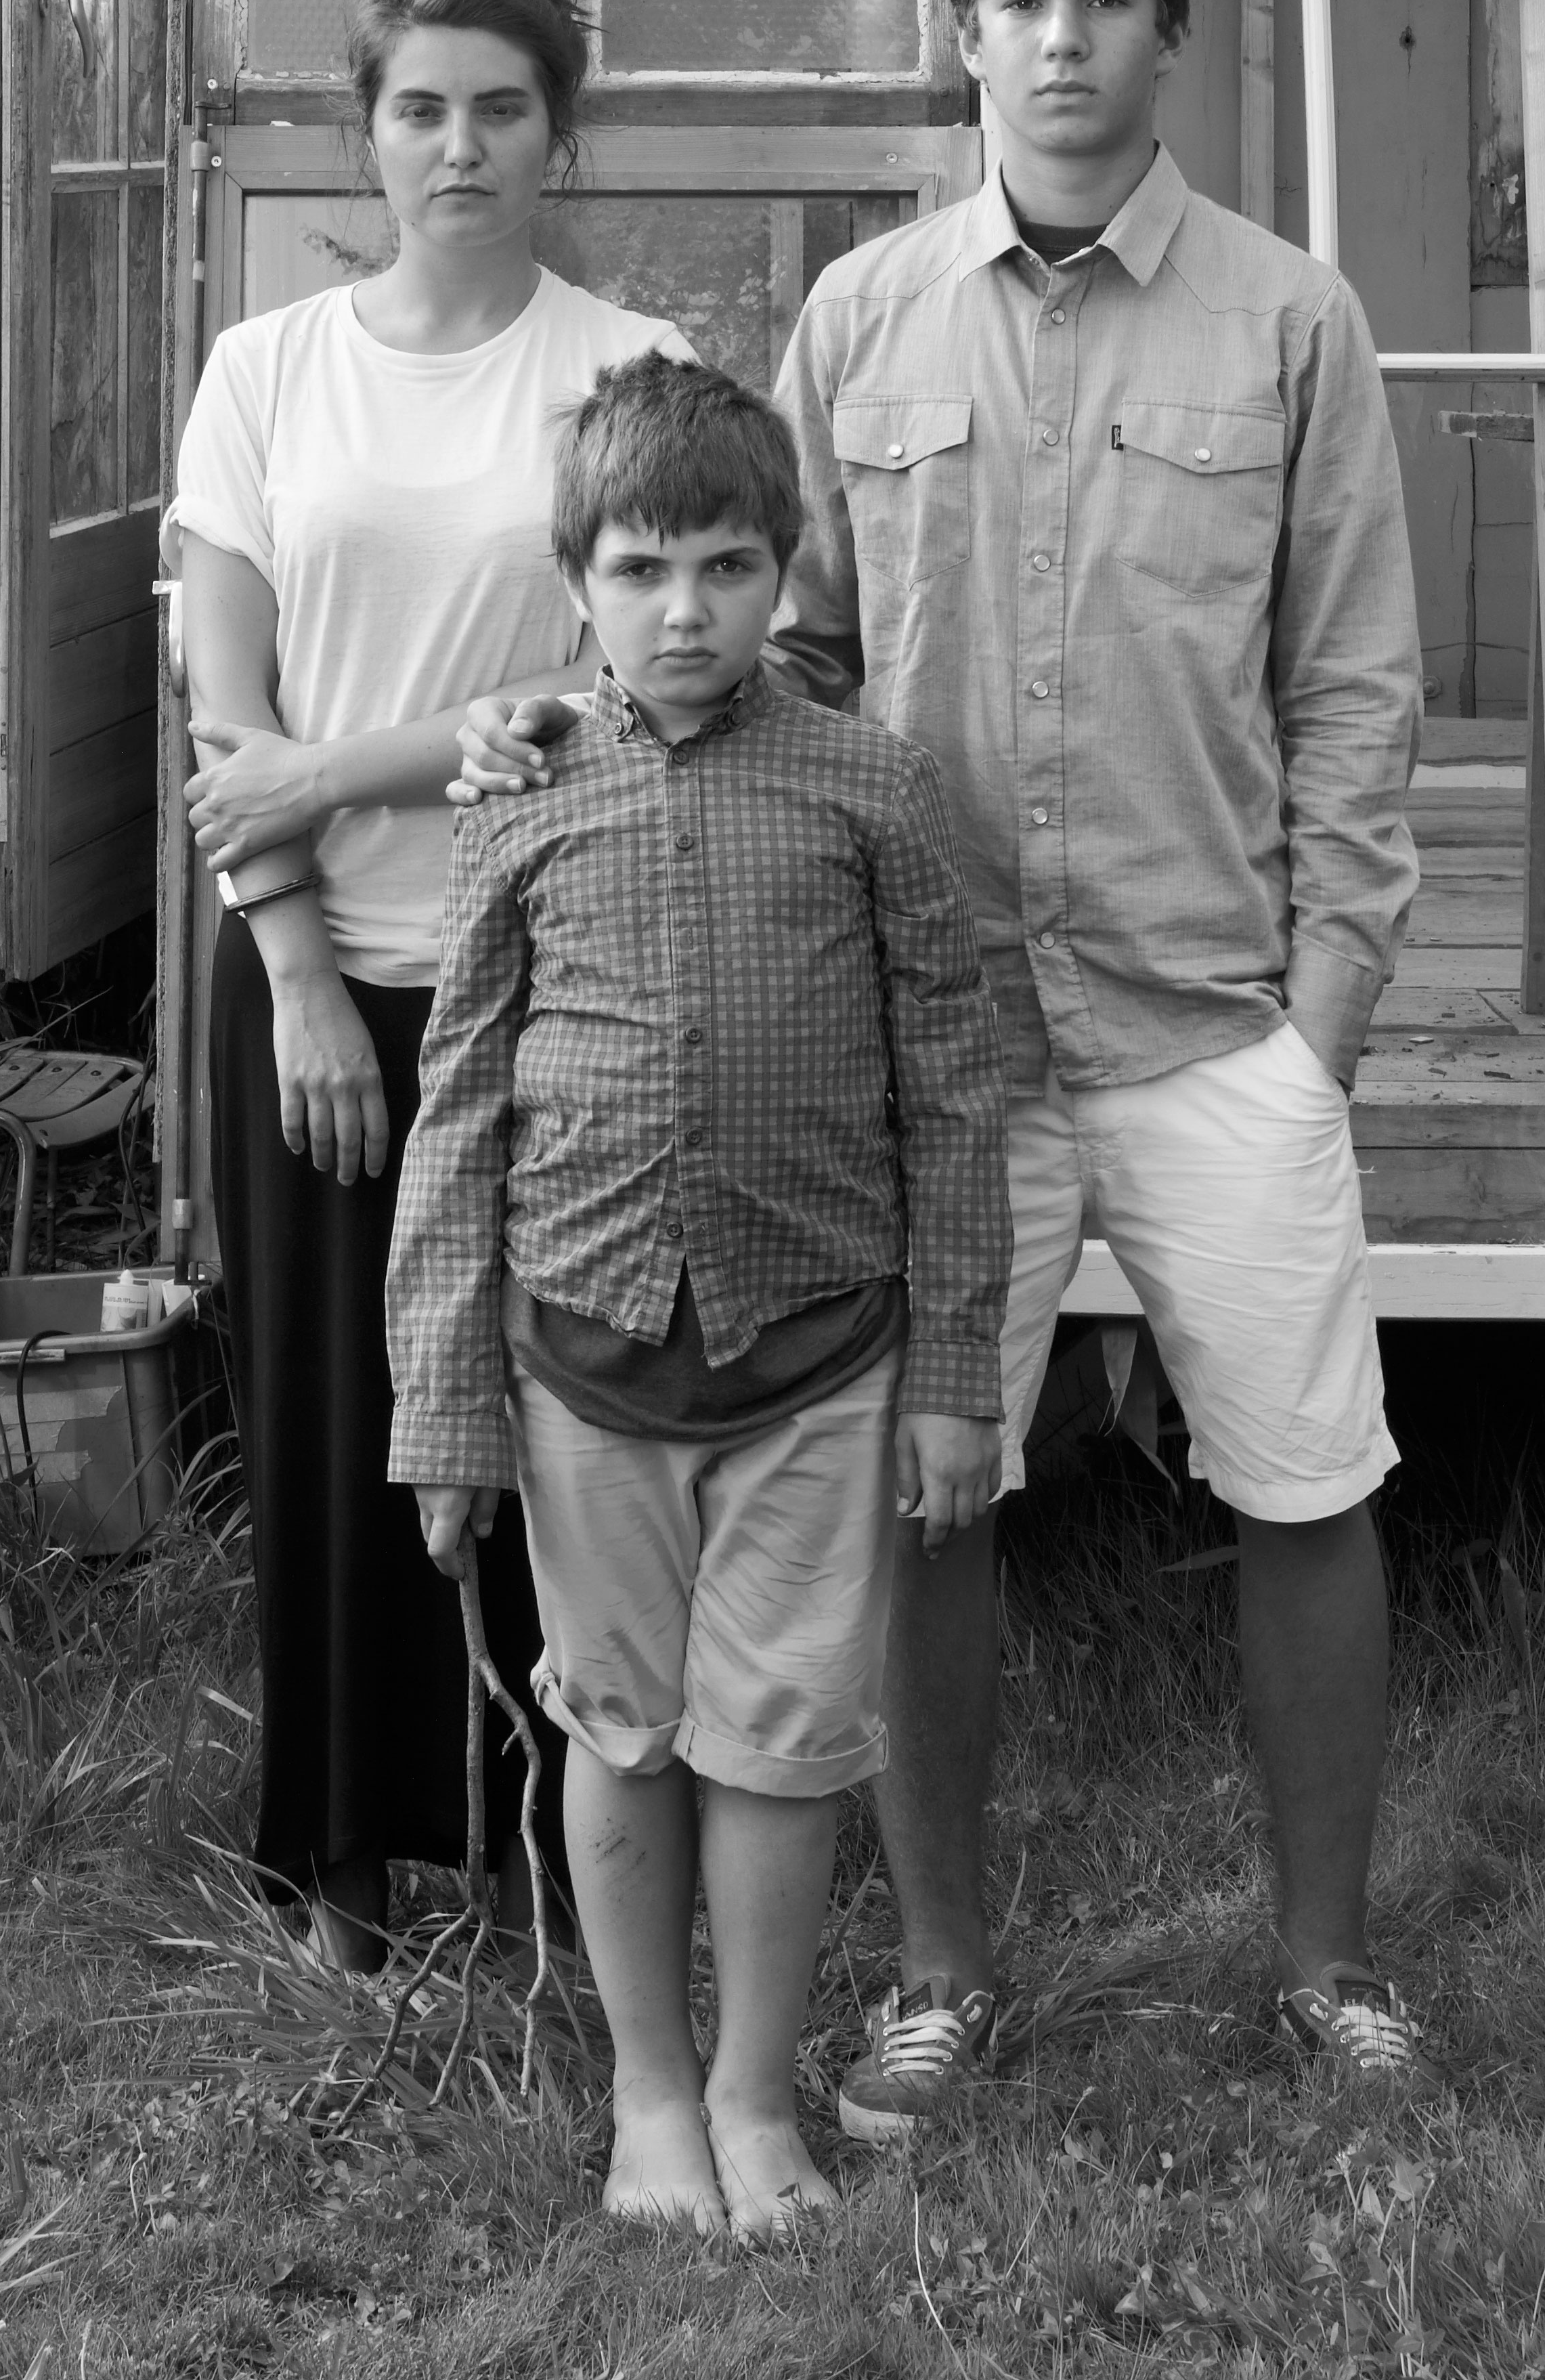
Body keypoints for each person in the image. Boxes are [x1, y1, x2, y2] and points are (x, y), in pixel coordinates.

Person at [462, 0, 1430, 2115]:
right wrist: (560, 716)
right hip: (922, 1057)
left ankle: (1322, 1965)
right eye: (1021, 4)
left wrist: (1326, 1019)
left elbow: (1357, 688)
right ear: (966, 38)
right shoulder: (862, 319)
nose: (1064, 44)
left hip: (1212, 1029)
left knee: (1307, 1487)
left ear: (1168, 35)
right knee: (924, 1499)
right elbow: (757, 651)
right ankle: (943, 1973)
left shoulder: (1289, 319)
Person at [387, 355, 1009, 2236]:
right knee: (618, 1726)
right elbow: (458, 1109)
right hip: (580, 1368)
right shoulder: (515, 798)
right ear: (576, 577)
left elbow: (956, 1086)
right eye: (643, 568)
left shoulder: (871, 788)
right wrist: (446, 1412)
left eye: (726, 567)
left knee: (785, 1739)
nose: (684, 611)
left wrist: (955, 1375)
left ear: (782, 571)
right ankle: (647, 2100)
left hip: (824, 1358)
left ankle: (754, 2099)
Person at [167, 0, 691, 1966]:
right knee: (329, 1418)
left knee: (555, 1414)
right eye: (418, 110)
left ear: (559, 137)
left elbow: (617, 684)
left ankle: (566, 1859)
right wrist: (298, 972)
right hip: (312, 974)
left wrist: (338, 764)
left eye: (497, 109)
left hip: (560, 974)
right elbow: (225, 726)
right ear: (363, 134)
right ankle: (340, 1865)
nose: (456, 146)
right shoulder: (267, 370)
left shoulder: (625, 372)